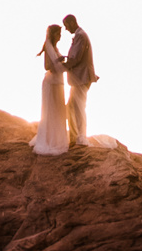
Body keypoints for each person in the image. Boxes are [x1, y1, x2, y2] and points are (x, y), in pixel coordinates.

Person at [31, 23, 69, 156]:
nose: (60, 36)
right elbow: (47, 66)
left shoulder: (54, 47)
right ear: (53, 34)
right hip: (51, 82)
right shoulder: (48, 47)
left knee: (58, 110)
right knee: (51, 111)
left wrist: (60, 61)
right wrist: (59, 61)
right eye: (59, 34)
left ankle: (57, 137)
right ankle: (50, 140)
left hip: (57, 82)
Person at [62, 12, 97, 145]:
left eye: (66, 26)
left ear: (72, 22)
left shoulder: (80, 36)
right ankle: (74, 135)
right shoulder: (80, 35)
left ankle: (81, 137)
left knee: (78, 107)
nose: (66, 29)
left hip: (81, 78)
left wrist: (60, 66)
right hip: (79, 78)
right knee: (71, 106)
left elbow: (75, 58)